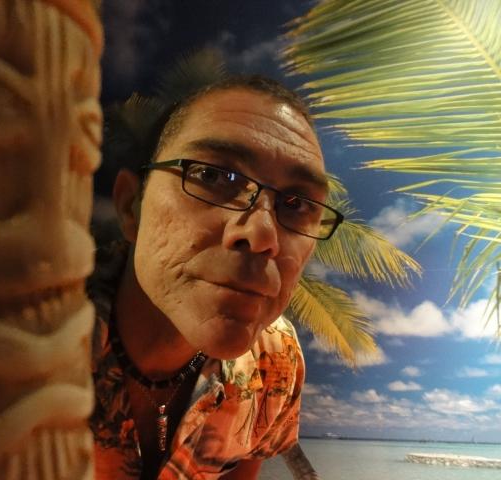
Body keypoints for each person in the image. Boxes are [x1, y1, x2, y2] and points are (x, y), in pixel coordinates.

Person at [88, 75, 343, 479]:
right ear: (131, 207)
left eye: (296, 204)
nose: (263, 236)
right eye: (213, 176)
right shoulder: (30, 337)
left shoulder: (275, 360)